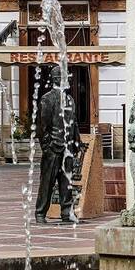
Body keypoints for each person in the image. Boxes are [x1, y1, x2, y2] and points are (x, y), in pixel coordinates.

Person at [33, 80, 83, 222]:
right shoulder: (47, 98)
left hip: (67, 148)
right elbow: (42, 126)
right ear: (56, 79)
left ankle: (67, 212)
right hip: (53, 147)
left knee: (66, 182)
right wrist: (47, 147)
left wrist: (77, 142)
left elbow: (74, 122)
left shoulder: (70, 99)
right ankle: (40, 213)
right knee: (47, 182)